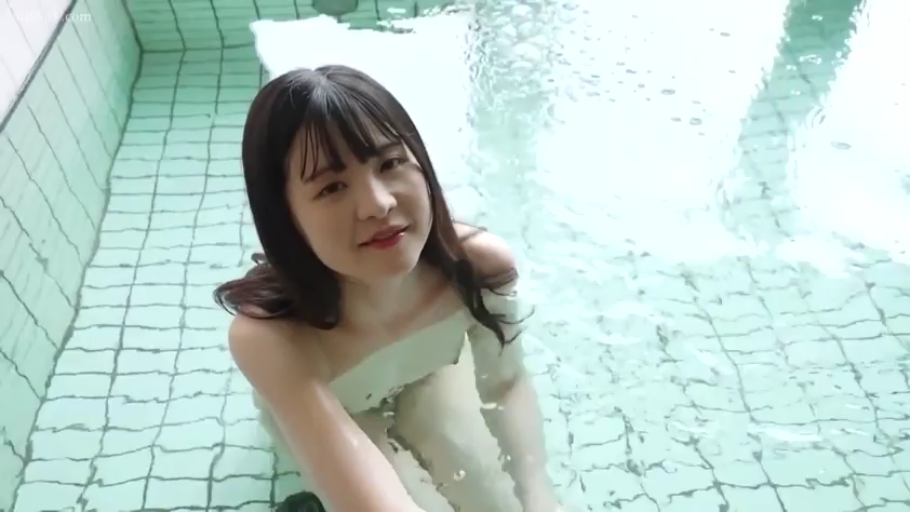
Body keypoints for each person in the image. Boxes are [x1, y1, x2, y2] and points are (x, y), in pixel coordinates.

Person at [214, 64, 559, 512]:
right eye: (332, 187)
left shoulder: (478, 268)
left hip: (428, 380)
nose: (379, 204)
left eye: (390, 163)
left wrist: (536, 492)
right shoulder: (271, 338)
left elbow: (507, 385)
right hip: (332, 415)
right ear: (285, 218)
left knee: (499, 502)